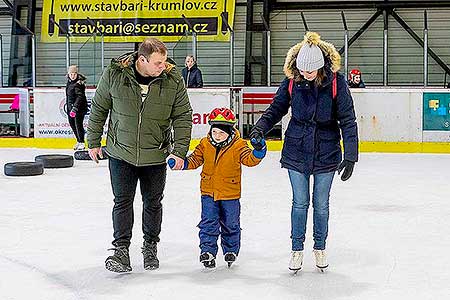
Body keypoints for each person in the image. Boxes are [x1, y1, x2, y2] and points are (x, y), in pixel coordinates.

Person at [249, 32, 358, 273]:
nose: (306, 75)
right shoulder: (291, 81)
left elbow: (348, 120)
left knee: (320, 205)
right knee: (299, 203)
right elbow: (276, 108)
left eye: (310, 71)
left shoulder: (336, 83)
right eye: (302, 70)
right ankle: (297, 250)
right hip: (296, 149)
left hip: (327, 150)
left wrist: (351, 155)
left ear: (320, 67)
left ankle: (319, 247)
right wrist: (259, 128)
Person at [87, 37, 193, 273]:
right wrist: (93, 141)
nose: (162, 66)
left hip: (155, 155)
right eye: (158, 62)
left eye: (164, 61)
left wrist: (179, 151)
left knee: (153, 203)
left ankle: (150, 245)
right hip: (120, 152)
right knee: (122, 202)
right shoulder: (115, 74)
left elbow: (183, 116)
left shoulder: (172, 78)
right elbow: (99, 107)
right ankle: (121, 249)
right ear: (142, 60)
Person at [168, 107, 266, 268]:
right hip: (208, 192)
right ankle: (207, 251)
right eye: (215, 132)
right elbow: (195, 160)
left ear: (230, 131)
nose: (217, 136)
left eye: (221, 133)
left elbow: (249, 160)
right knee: (208, 222)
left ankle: (231, 250)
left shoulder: (238, 145)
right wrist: (182, 164)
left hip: (230, 194)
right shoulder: (205, 144)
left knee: (231, 223)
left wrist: (259, 151)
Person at [66, 65, 88, 150]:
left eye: (74, 74)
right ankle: (78, 141)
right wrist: (70, 107)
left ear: (77, 74)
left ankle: (82, 142)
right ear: (68, 74)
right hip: (70, 108)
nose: (73, 76)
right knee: (72, 125)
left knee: (78, 125)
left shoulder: (78, 84)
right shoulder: (69, 82)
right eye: (71, 74)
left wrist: (75, 108)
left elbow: (80, 97)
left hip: (78, 109)